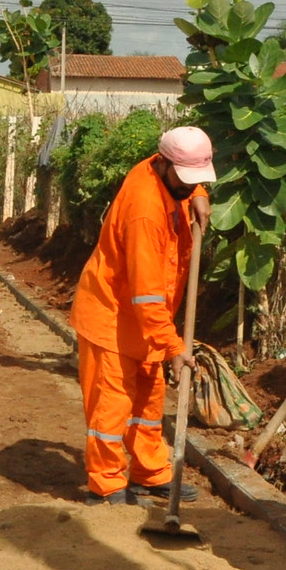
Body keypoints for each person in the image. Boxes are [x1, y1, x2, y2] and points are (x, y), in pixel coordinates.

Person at [70, 126, 214, 505]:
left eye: (195, 180)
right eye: (186, 181)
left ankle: (150, 474)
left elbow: (186, 182)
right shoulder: (145, 214)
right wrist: (174, 346)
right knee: (111, 407)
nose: (188, 187)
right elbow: (146, 293)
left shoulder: (162, 171)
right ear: (164, 164)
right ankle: (106, 484)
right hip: (113, 315)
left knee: (148, 403)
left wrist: (197, 194)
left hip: (149, 319)